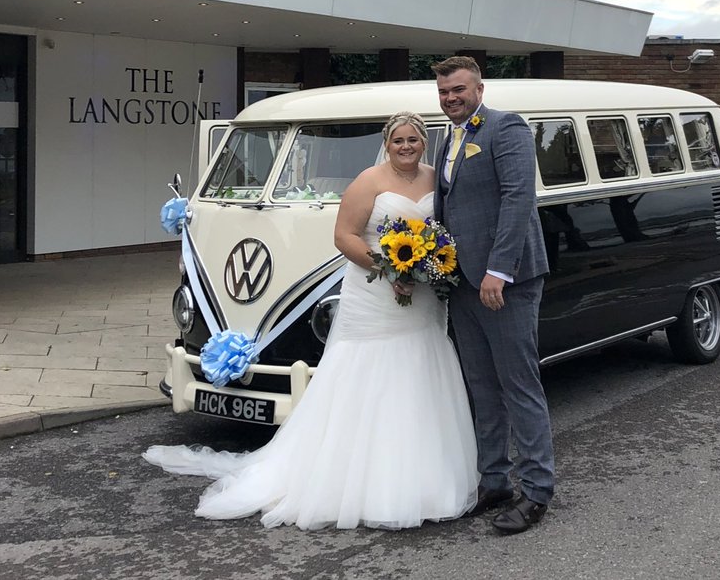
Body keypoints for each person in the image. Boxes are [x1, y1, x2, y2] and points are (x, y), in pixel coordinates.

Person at [143, 112, 477, 529]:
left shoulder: (434, 180)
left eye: (413, 139)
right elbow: (344, 236)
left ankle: (425, 473)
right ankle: (351, 478)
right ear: (387, 143)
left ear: (424, 142)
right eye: (398, 140)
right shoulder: (368, 181)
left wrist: (425, 267)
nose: (406, 146)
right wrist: (390, 269)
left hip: (422, 298)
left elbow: (440, 229)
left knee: (421, 365)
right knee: (365, 371)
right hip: (375, 291)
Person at [431, 56, 556, 534]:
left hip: (506, 283)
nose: (451, 98)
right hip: (461, 283)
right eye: (444, 92)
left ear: (479, 88)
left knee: (518, 385)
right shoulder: (448, 137)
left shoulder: (507, 129)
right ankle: (495, 482)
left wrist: (498, 271)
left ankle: (538, 491)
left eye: (459, 89)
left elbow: (518, 199)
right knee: (482, 387)